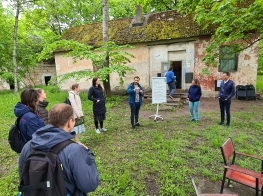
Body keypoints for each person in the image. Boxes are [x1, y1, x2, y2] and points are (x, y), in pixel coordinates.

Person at [19, 103, 99, 195]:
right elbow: (89, 185)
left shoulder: (28, 146)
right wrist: (89, 155)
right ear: (69, 122)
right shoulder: (75, 150)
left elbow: (23, 178)